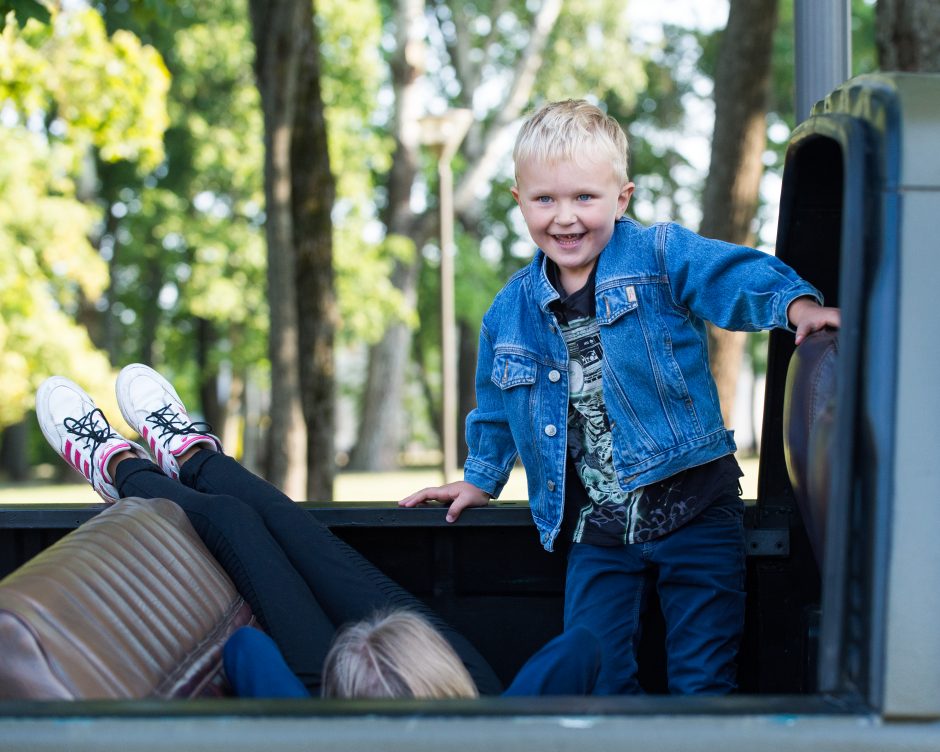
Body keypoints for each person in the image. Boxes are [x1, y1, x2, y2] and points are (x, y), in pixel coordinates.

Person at [401, 99, 841, 695]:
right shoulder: (509, 312)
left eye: (585, 197)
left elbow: (727, 274)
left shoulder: (656, 256)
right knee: (596, 672)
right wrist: (480, 478)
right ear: (519, 201)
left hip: (693, 504)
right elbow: (500, 406)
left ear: (622, 198)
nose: (565, 218)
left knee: (702, 677)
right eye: (545, 200)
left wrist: (796, 306)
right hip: (598, 526)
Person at [35, 365, 600, 699]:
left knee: (240, 525)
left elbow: (580, 649)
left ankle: (119, 468)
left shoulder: (308, 731)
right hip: (452, 700)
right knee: (299, 534)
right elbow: (247, 651)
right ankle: (195, 458)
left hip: (374, 702)